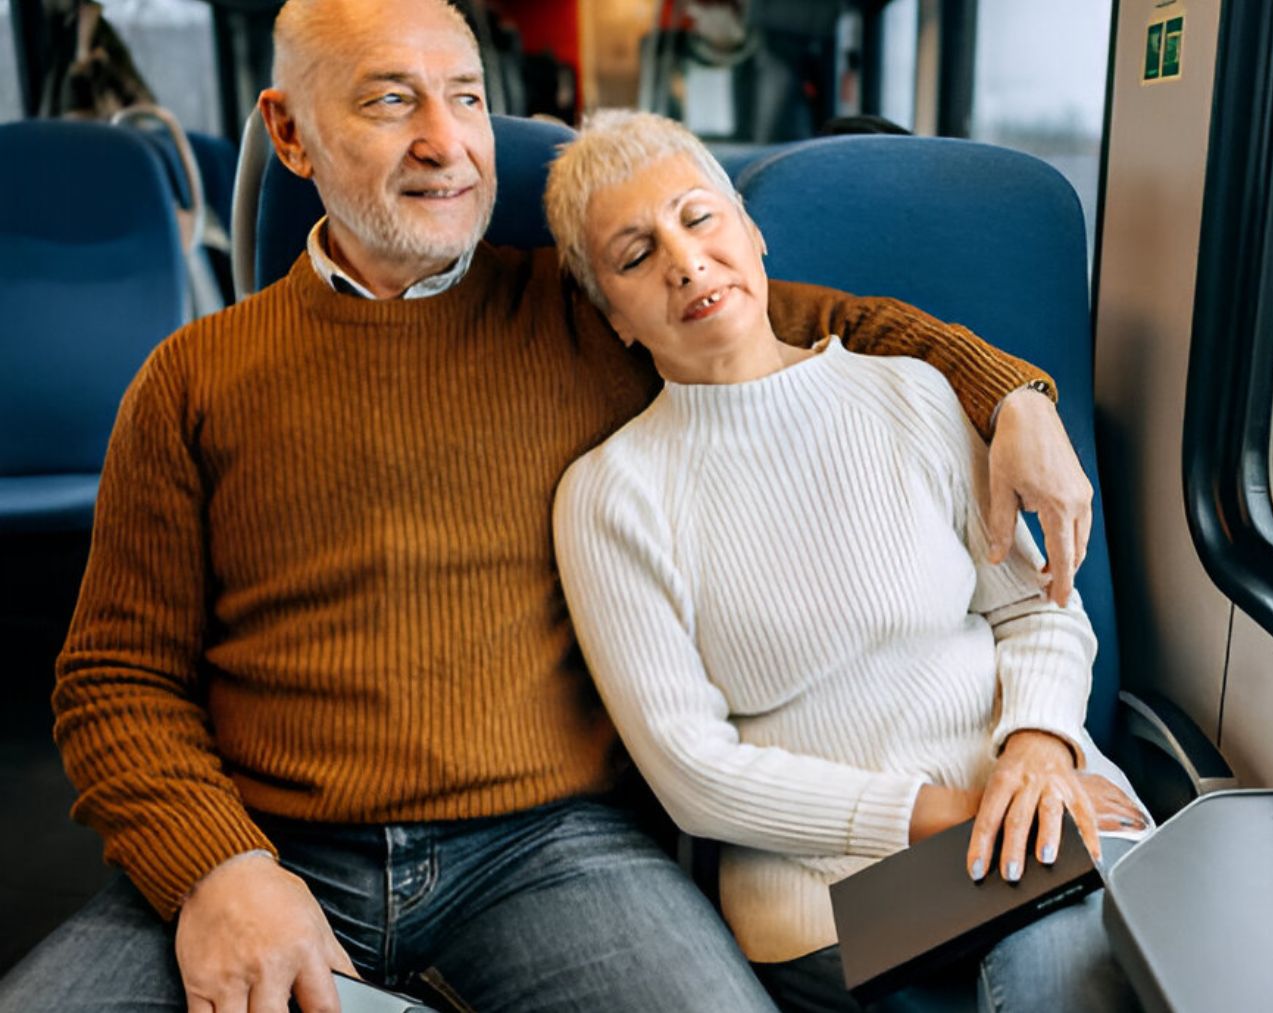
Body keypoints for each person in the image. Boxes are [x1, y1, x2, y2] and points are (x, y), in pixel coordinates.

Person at [0, 0, 1096, 1009]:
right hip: (268, 835)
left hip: (546, 848)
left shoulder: (588, 304)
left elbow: (812, 325)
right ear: (290, 136)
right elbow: (114, 682)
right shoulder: (190, 379)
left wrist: (1013, 397)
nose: (448, 139)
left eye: (467, 97)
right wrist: (218, 866)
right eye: (391, 100)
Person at [547, 110, 1148, 1013]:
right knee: (1070, 971)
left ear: (751, 234)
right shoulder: (610, 494)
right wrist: (957, 817)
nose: (683, 259)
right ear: (614, 317)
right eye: (636, 256)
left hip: (1046, 801)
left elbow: (1038, 608)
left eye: (699, 217)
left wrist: (1036, 746)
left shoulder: (913, 391)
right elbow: (691, 771)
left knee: (1159, 954)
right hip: (832, 897)